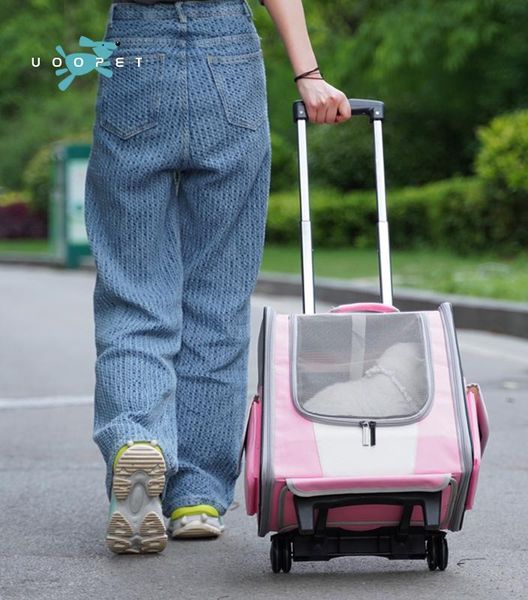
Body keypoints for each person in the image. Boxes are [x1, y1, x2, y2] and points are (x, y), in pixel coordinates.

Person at [84, 0, 351, 554]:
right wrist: (310, 75)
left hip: (135, 50)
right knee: (219, 296)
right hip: (227, 54)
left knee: (134, 291)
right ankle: (198, 496)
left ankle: (138, 436)